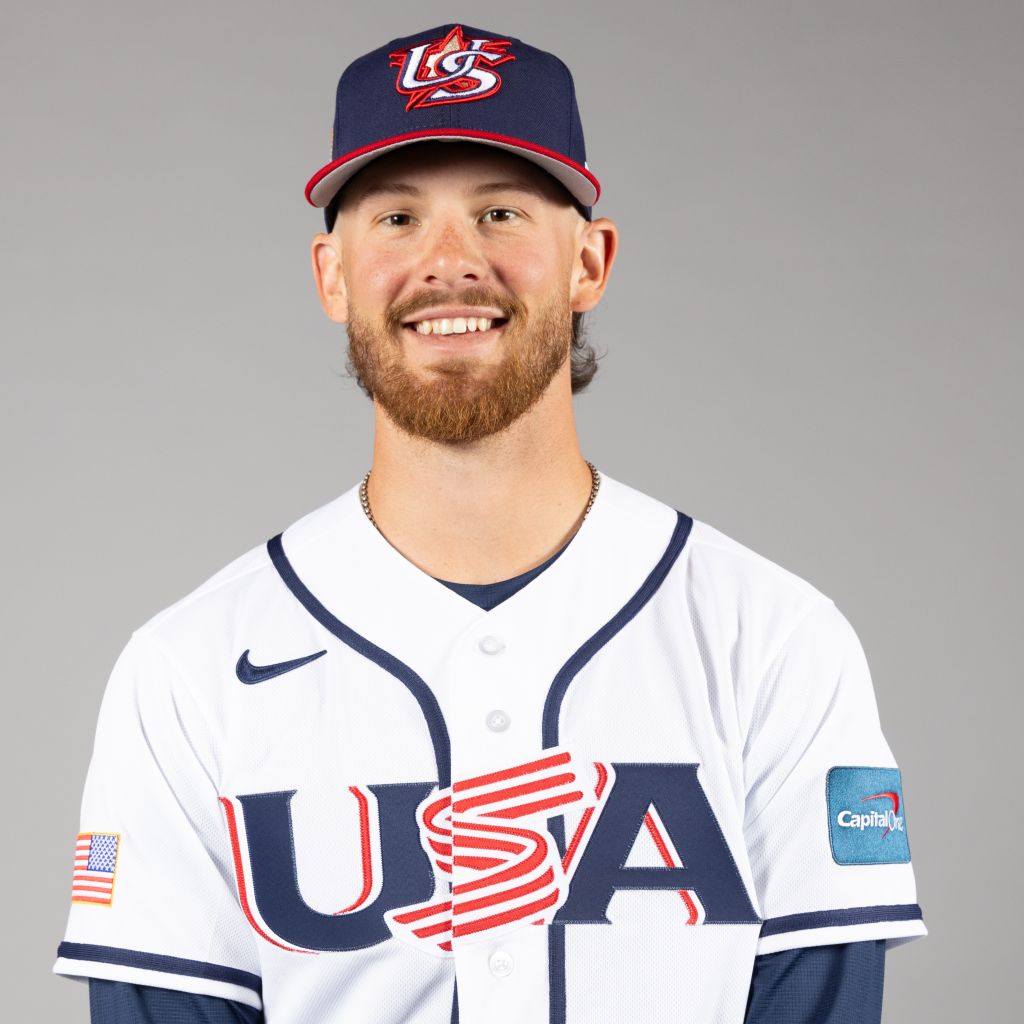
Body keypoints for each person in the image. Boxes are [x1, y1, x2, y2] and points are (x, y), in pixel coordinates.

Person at [54, 22, 925, 1024]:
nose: (449, 261)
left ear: (589, 261)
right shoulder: (187, 669)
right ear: (331, 274)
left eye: (500, 212)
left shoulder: (770, 638)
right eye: (396, 218)